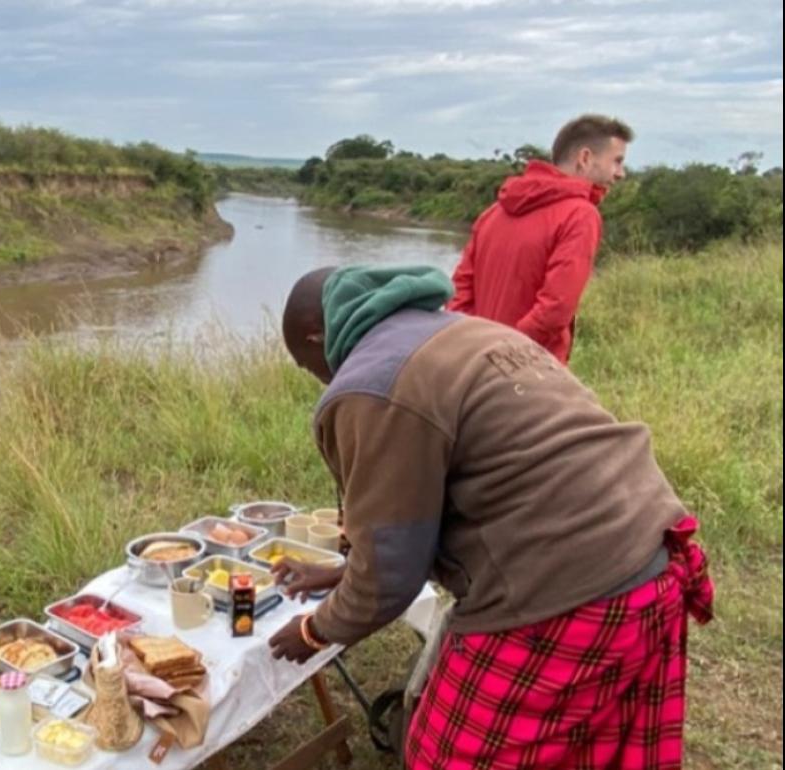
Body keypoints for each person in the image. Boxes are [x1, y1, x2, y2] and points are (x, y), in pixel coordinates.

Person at [267, 264, 712, 769]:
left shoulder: (372, 383)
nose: (320, 377)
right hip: (651, 557)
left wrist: (315, 631)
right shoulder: (467, 332)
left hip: (565, 594)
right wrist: (345, 572)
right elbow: (438, 511)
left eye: (306, 365)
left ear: (316, 336)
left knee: (444, 755)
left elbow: (390, 576)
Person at [448, 115, 633, 365]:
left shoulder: (494, 212)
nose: (621, 173)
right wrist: (506, 355)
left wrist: (477, 351)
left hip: (475, 364)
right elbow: (556, 307)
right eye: (617, 161)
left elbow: (459, 294)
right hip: (531, 369)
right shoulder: (580, 215)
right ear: (585, 158)